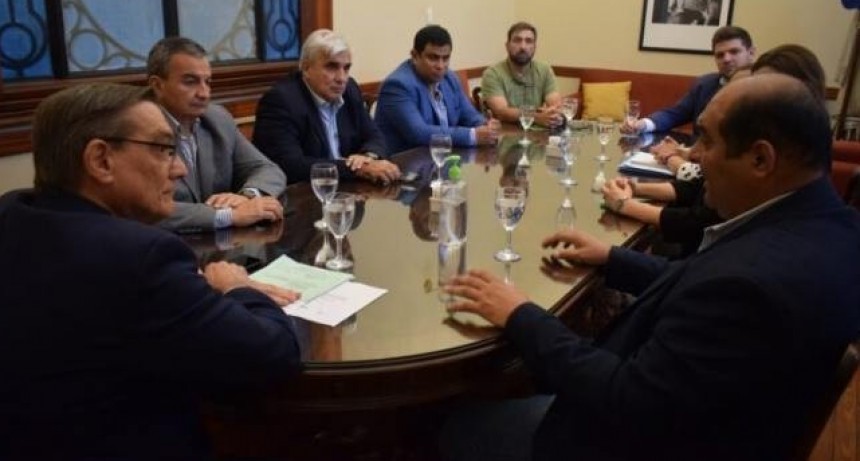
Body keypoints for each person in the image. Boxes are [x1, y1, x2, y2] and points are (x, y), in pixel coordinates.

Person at [440, 73, 860, 461]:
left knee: (451, 425)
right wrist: (611, 257)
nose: (694, 156)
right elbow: (700, 280)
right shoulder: (833, 226)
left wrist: (520, 313)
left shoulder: (749, 287)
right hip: (714, 419)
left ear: (760, 160)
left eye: (706, 140)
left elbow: (624, 397)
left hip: (611, 440)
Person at [0, 83, 303, 460]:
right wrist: (238, 288)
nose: (180, 169)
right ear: (101, 160)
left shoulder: (13, 212)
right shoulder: (142, 257)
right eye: (163, 149)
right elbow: (273, 356)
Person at [603, 44, 827, 258]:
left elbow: (697, 223)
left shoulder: (769, 243)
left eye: (708, 140)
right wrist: (636, 187)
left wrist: (627, 204)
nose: (696, 153)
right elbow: (694, 184)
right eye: (720, 54)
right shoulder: (706, 85)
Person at [147, 36, 287, 232]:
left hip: (219, 244)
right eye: (190, 82)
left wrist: (247, 196)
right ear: (157, 85)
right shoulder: (137, 130)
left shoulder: (216, 118)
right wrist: (228, 215)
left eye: (207, 82)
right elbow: (144, 209)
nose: (204, 93)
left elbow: (268, 169)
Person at [253, 29, 401, 184]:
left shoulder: (349, 89)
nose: (341, 78)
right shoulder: (281, 101)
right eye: (332, 67)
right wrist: (357, 169)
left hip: (346, 190)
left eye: (346, 68)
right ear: (306, 68)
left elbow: (375, 136)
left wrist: (368, 158)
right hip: (303, 193)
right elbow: (290, 165)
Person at [375, 25, 500, 153]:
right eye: (433, 58)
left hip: (442, 157)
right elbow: (419, 133)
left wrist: (485, 126)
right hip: (404, 161)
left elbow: (469, 115)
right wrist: (472, 136)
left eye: (445, 58)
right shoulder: (397, 85)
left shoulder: (449, 78)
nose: (440, 66)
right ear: (415, 56)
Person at [621, 25, 755, 135]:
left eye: (734, 52)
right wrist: (643, 124)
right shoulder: (705, 84)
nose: (726, 59)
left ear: (751, 53)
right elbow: (674, 114)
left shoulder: (762, 90)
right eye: (720, 55)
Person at [480, 22, 562, 127]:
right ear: (507, 46)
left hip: (538, 134)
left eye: (529, 41)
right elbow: (501, 112)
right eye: (517, 40)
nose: (523, 46)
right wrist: (536, 117)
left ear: (535, 47)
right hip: (506, 133)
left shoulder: (544, 70)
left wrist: (553, 113)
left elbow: (555, 105)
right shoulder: (492, 74)